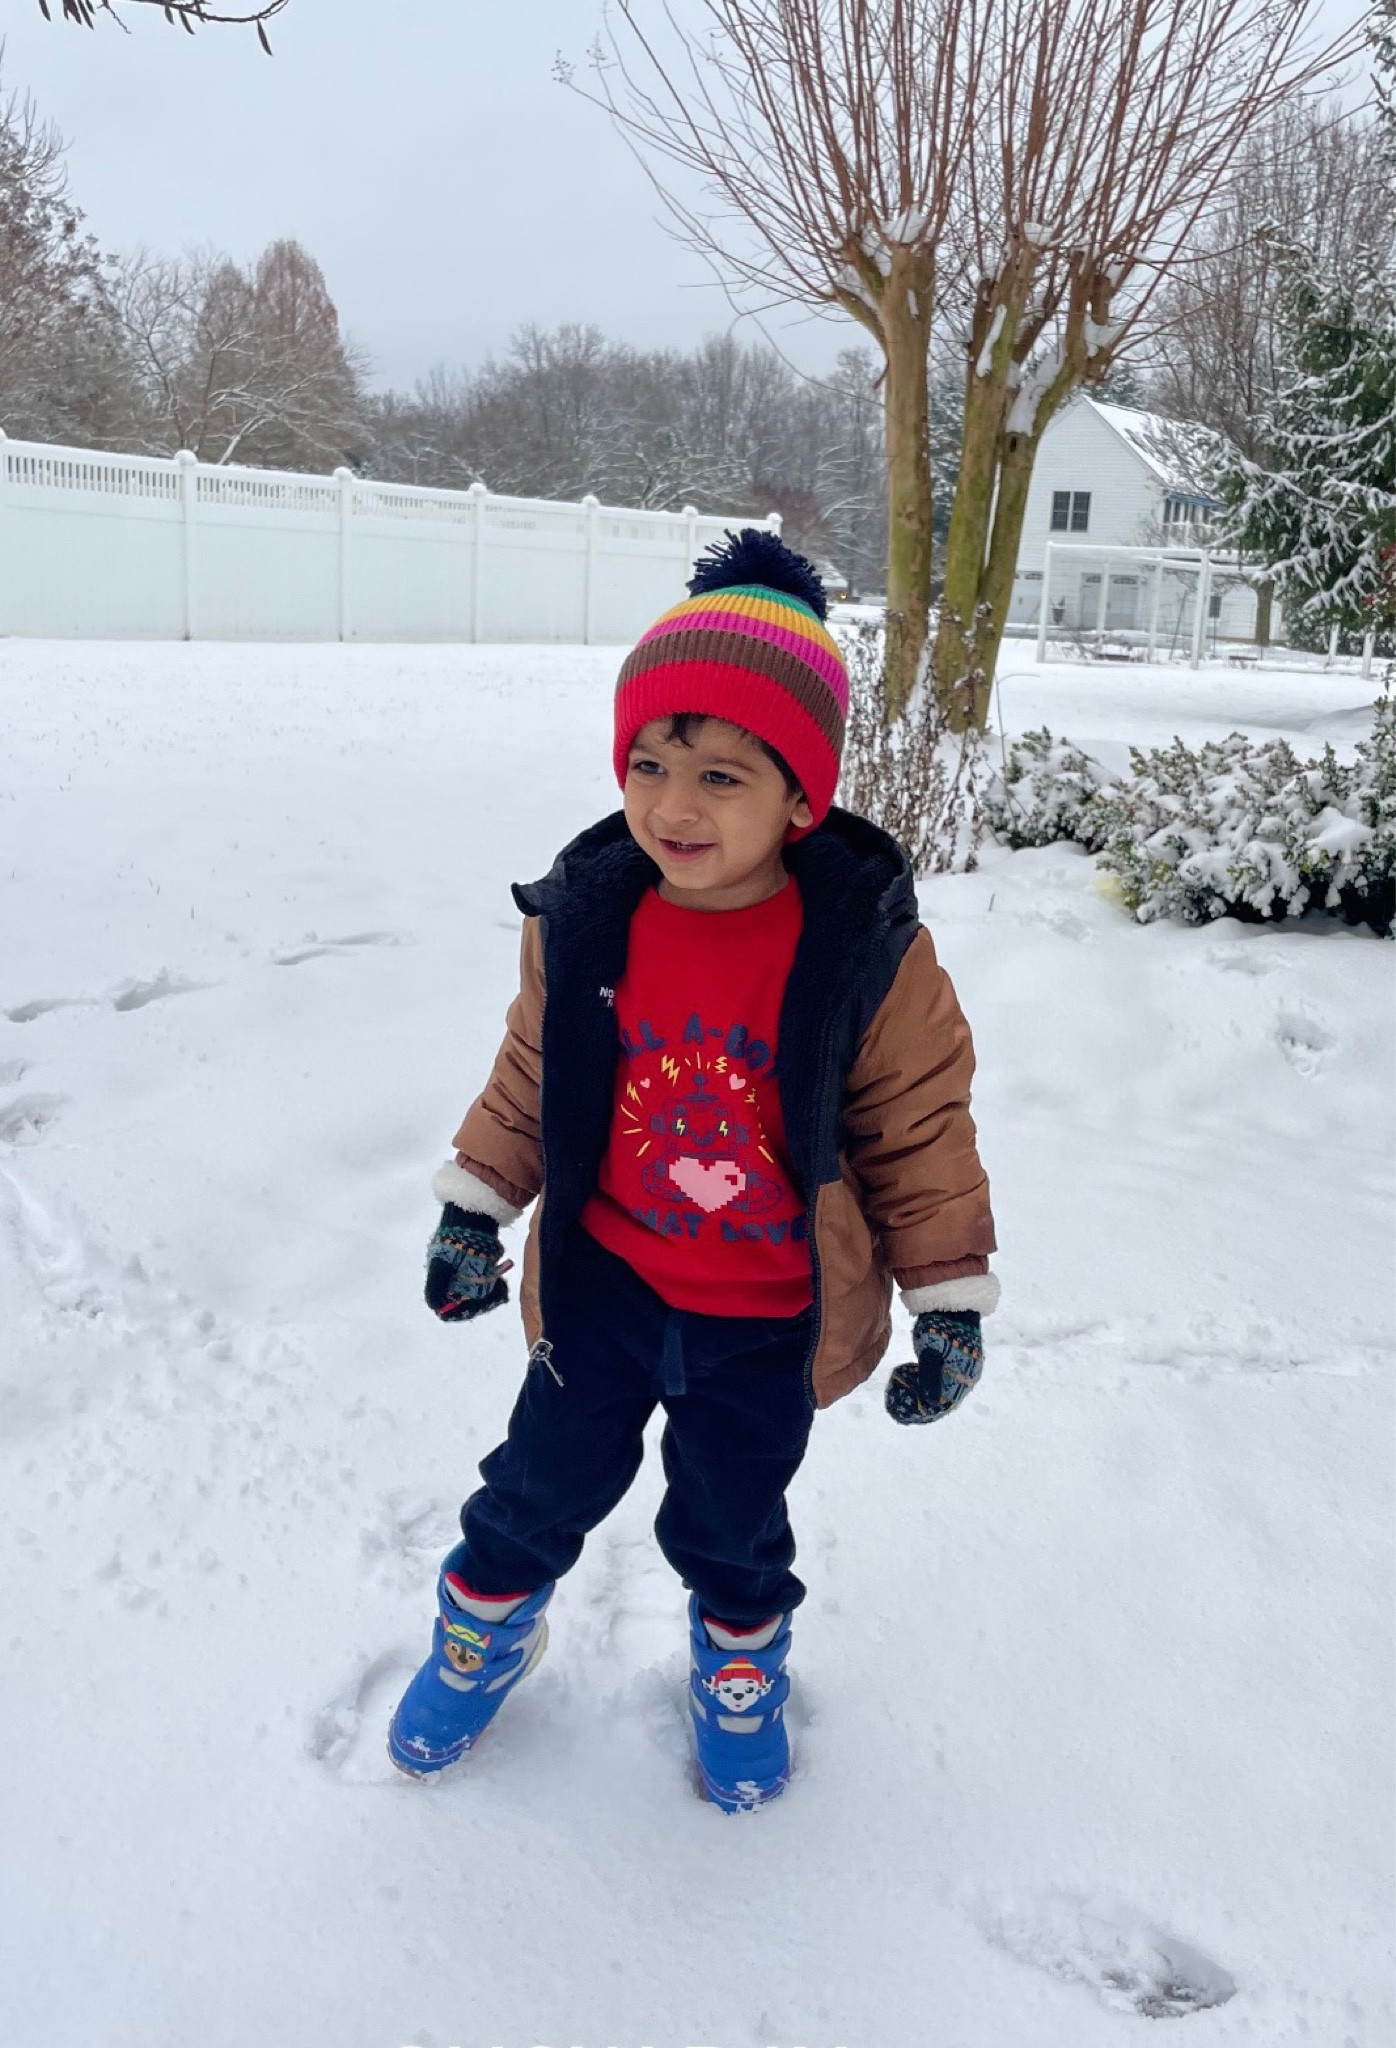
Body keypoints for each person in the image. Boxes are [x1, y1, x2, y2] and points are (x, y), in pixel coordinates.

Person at [388, 530, 997, 1810]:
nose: (672, 805)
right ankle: (485, 1622)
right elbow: (528, 1079)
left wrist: (947, 1299)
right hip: (604, 1287)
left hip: (766, 1316)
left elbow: (916, 1130)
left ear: (801, 796)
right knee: (533, 1487)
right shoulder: (590, 917)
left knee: (730, 1522)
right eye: (649, 764)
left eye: (722, 773)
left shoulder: (863, 955)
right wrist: (474, 1208)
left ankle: (737, 1664)